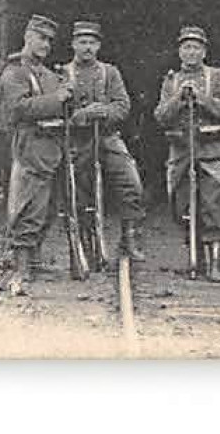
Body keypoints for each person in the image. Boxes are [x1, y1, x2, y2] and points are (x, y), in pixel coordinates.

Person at [154, 25, 220, 281]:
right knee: (183, 206)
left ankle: (215, 265)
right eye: (186, 47)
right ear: (179, 51)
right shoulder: (171, 80)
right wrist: (179, 97)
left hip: (212, 151)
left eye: (196, 47)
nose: (191, 52)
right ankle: (196, 260)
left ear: (204, 51)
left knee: (213, 204)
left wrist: (202, 99)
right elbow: (160, 116)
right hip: (181, 152)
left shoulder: (218, 76)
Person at [60, 20, 148, 262]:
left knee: (132, 182)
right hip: (78, 142)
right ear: (73, 44)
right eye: (82, 42)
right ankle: (85, 245)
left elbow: (123, 106)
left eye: (92, 43)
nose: (87, 47)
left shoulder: (110, 73)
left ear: (98, 46)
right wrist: (81, 116)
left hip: (108, 138)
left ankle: (129, 239)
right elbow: (57, 111)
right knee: (79, 192)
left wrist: (104, 112)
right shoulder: (62, 73)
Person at [0, 13, 71, 296]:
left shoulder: (50, 75)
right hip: (30, 145)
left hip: (53, 148)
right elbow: (17, 109)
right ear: (27, 37)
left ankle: (35, 260)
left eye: (49, 40)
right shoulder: (14, 73)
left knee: (49, 207)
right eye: (41, 38)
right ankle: (21, 266)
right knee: (30, 205)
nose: (46, 45)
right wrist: (57, 98)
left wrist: (68, 96)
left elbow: (61, 105)